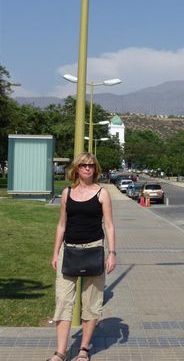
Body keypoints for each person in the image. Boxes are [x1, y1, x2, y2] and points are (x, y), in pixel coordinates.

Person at [48, 152, 116, 361]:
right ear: (76, 168)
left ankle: (83, 349)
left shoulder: (102, 193)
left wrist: (112, 253)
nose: (87, 168)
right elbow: (61, 225)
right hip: (69, 251)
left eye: (91, 165)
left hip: (94, 250)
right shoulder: (67, 193)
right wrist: (55, 253)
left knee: (91, 303)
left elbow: (109, 225)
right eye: (83, 165)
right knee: (63, 301)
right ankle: (61, 352)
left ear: (96, 169)